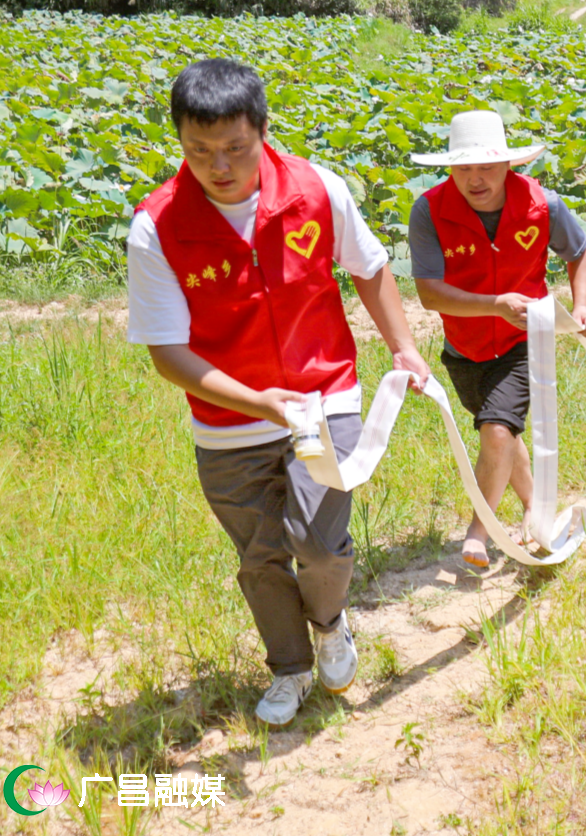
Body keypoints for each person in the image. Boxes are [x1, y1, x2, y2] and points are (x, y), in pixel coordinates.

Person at [127, 59, 430, 726]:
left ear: (264, 129)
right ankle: (289, 667)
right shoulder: (157, 226)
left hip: (325, 395)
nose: (219, 165)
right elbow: (168, 354)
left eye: (236, 147)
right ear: (178, 140)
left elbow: (371, 267)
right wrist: (261, 403)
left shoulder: (317, 190)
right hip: (226, 426)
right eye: (198, 150)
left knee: (318, 544)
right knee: (260, 557)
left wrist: (404, 346)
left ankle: (329, 622)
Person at [406, 110, 586, 569]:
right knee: (504, 436)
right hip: (464, 349)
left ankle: (480, 530)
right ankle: (536, 507)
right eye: (464, 168)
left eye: (486, 168)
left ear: (509, 165)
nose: (475, 179)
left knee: (496, 429)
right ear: (450, 168)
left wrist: (583, 304)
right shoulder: (429, 210)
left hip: (526, 340)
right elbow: (429, 293)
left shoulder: (542, 205)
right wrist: (493, 304)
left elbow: (580, 250)